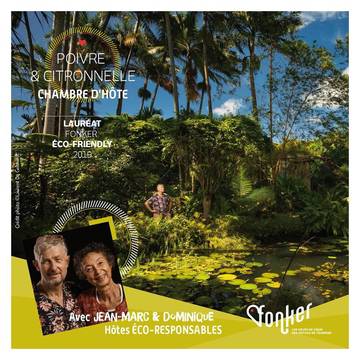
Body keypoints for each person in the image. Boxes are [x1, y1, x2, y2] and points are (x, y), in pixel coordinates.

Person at [32, 234, 85, 335]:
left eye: (58, 259)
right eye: (46, 261)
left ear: (67, 261)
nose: (53, 268)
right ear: (37, 265)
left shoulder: (77, 290)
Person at [73, 242, 128, 325]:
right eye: (89, 269)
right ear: (85, 276)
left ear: (110, 264)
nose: (97, 271)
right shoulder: (82, 300)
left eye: (100, 263)